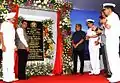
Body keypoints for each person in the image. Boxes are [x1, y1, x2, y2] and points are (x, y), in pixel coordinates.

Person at [102, 3, 120, 82]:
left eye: (104, 9)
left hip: (113, 39)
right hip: (109, 39)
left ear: (109, 9)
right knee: (111, 58)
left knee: (114, 58)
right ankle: (114, 75)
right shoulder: (109, 17)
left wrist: (104, 22)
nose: (104, 11)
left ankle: (117, 75)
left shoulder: (114, 16)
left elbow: (108, 26)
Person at [0, 12, 17, 83]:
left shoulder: (12, 25)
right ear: (10, 18)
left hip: (11, 46)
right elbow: (1, 34)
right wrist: (3, 45)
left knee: (11, 62)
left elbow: (12, 38)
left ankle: (11, 77)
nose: (15, 18)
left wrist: (14, 46)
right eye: (14, 17)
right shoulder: (4, 24)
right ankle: (6, 78)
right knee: (6, 62)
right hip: (6, 46)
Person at [99, 13, 112, 77]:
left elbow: (106, 32)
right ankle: (107, 71)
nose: (99, 21)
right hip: (103, 43)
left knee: (108, 58)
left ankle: (110, 72)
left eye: (100, 19)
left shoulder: (108, 24)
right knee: (104, 58)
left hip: (108, 43)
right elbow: (99, 33)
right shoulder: (101, 26)